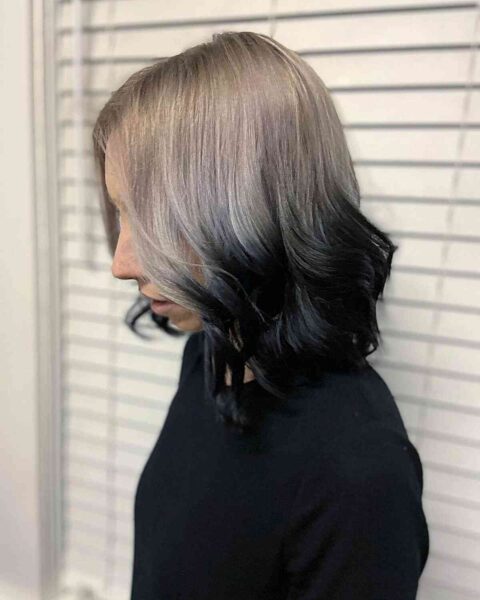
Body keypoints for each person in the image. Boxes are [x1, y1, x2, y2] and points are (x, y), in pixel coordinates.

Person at [92, 31, 429, 600]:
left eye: (156, 221)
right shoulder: (209, 355)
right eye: (123, 214)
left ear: (253, 211)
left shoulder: (356, 473)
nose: (121, 264)